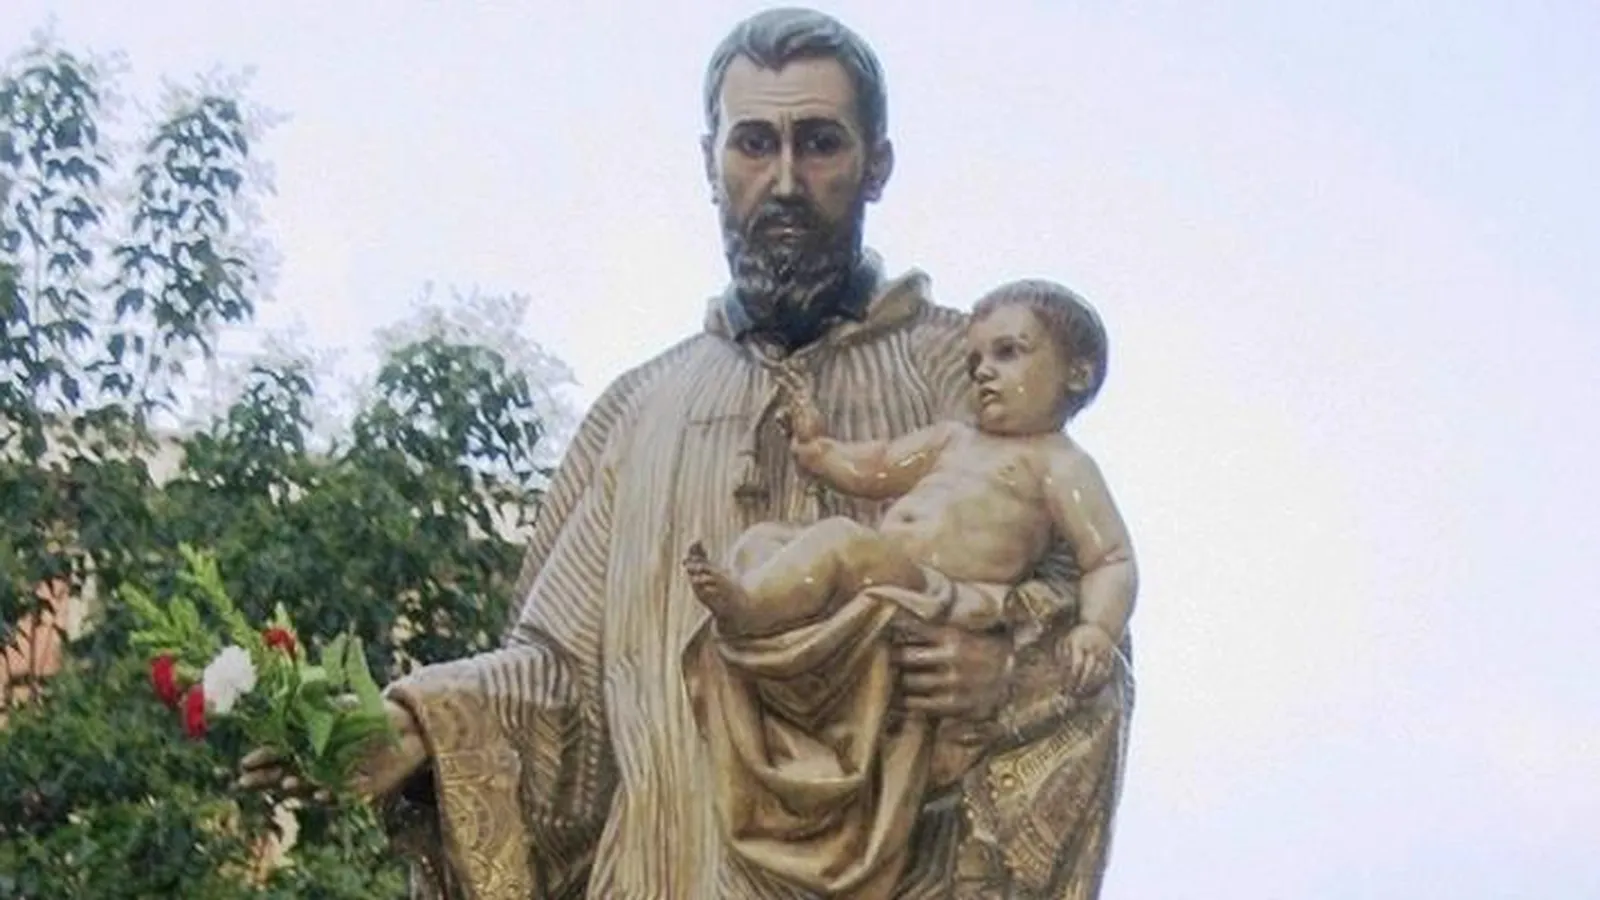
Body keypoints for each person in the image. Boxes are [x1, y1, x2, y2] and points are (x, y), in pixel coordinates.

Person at [240, 9, 1135, 899]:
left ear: (877, 164)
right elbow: (561, 688)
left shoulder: (972, 377)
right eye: (755, 144)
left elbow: (1093, 623)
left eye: (820, 142)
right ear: (711, 163)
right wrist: (420, 729)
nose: (785, 180)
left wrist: (1015, 672)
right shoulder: (638, 414)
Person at [679, 279, 1136, 899]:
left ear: (1077, 374)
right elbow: (877, 466)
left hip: (937, 596)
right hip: (883, 582)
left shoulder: (1062, 466)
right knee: (765, 542)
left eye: (1009, 353)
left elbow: (1109, 558)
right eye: (975, 361)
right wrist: (819, 451)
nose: (984, 372)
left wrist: (1096, 628)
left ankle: (751, 607)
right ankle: (768, 624)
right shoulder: (953, 439)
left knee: (841, 542)